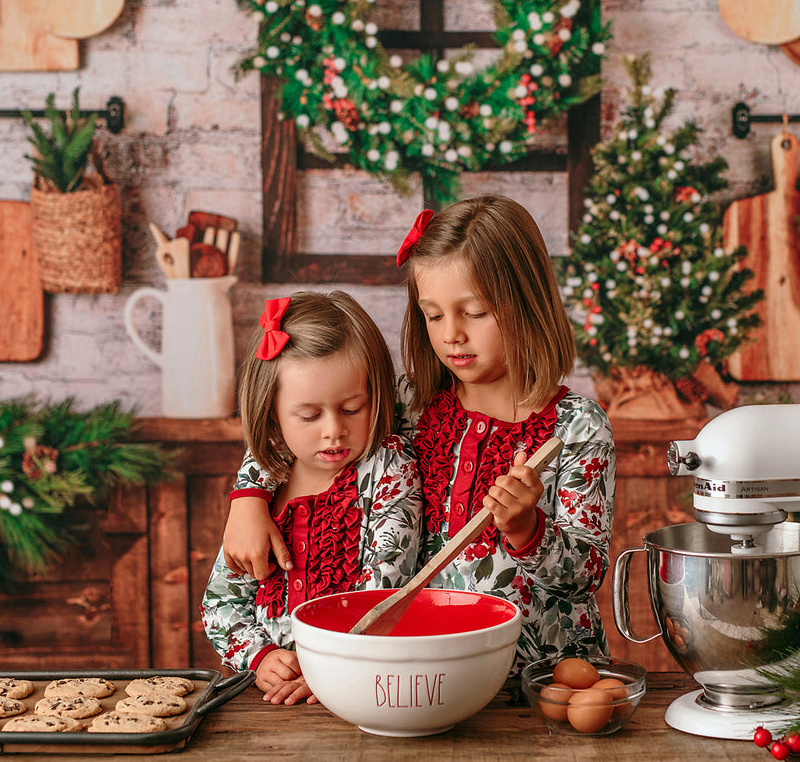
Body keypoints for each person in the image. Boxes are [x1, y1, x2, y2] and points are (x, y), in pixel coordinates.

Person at [222, 196, 615, 669]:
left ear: (526, 302)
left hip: (538, 677)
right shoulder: (410, 402)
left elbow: (585, 576)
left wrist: (527, 530)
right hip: (424, 672)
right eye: (433, 315)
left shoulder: (577, 426)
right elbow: (299, 422)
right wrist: (248, 495)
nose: (452, 334)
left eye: (474, 312)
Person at [200, 292, 422, 705]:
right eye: (309, 416)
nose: (334, 429)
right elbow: (220, 604)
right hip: (274, 702)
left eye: (353, 408)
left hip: (363, 690)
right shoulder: (268, 485)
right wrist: (261, 657)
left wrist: (329, 667)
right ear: (273, 414)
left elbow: (387, 588)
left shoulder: (387, 470)